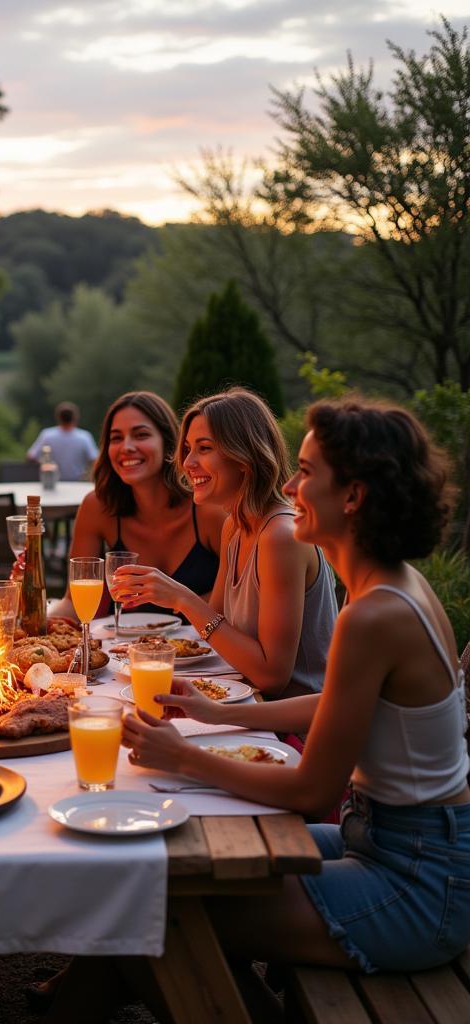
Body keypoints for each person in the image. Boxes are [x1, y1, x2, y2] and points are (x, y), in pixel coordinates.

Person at [114, 397, 470, 1015]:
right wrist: (219, 715)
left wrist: (183, 756)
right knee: (164, 878)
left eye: (305, 473)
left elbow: (309, 792)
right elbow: (331, 705)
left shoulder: (375, 615)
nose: (286, 484)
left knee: (145, 916)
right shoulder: (393, 588)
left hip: (418, 883)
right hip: (387, 841)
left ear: (352, 497)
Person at [113, 388, 336, 697]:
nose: (187, 462)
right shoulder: (235, 524)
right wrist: (152, 646)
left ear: (244, 457)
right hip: (245, 700)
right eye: (188, 448)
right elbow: (214, 631)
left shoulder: (280, 536)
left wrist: (183, 599)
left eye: (204, 448)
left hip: (292, 729)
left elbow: (273, 676)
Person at [50, 391, 223, 621]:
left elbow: (238, 600)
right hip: (124, 652)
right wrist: (33, 625)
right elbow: (74, 604)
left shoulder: (208, 509)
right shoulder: (98, 507)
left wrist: (183, 602)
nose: (126, 447)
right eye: (116, 438)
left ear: (170, 443)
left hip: (204, 651)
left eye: (141, 435)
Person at [27, 401, 99, 481]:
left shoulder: (47, 435)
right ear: (76, 417)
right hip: (77, 483)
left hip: (52, 482)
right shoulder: (84, 437)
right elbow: (95, 460)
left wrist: (45, 466)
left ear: (58, 417)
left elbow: (31, 456)